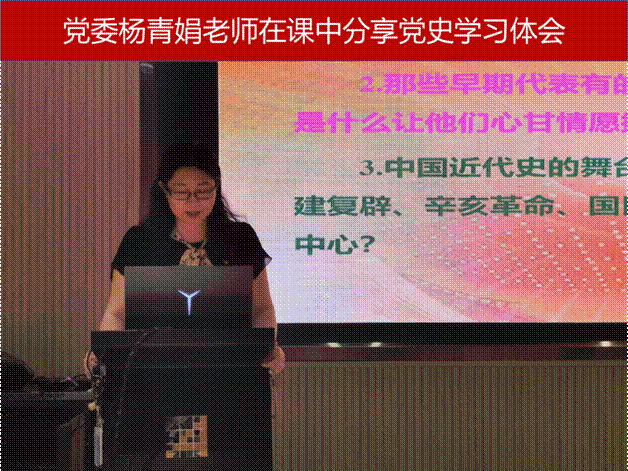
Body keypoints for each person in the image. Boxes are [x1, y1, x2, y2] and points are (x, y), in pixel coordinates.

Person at [84, 142, 285, 376]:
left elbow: (261, 309)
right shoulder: (139, 242)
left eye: (203, 190)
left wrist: (267, 350)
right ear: (164, 190)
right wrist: (105, 354)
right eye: (181, 192)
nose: (193, 201)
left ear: (217, 186)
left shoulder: (240, 238)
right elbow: (117, 313)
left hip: (229, 371)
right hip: (154, 374)